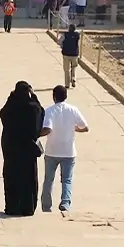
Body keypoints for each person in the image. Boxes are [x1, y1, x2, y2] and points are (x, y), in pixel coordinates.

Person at [39, 84, 88, 213]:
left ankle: (46, 205)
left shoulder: (49, 110)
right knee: (67, 179)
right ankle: (65, 203)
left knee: (48, 179)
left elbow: (47, 128)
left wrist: (35, 134)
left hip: (52, 150)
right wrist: (74, 128)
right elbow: (85, 127)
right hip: (68, 151)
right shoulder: (73, 109)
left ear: (54, 97)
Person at [0, 81, 44, 216]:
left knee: (11, 176)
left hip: (11, 147)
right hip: (27, 146)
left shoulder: (11, 107)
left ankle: (12, 207)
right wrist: (35, 97)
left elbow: (2, 114)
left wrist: (11, 97)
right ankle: (27, 207)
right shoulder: (33, 108)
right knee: (28, 177)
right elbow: (40, 114)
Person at [60, 22, 81, 87]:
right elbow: (78, 44)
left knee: (66, 70)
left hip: (66, 54)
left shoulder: (65, 34)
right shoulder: (77, 35)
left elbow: (59, 41)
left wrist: (62, 46)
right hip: (74, 54)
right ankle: (73, 78)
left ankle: (67, 84)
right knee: (73, 67)